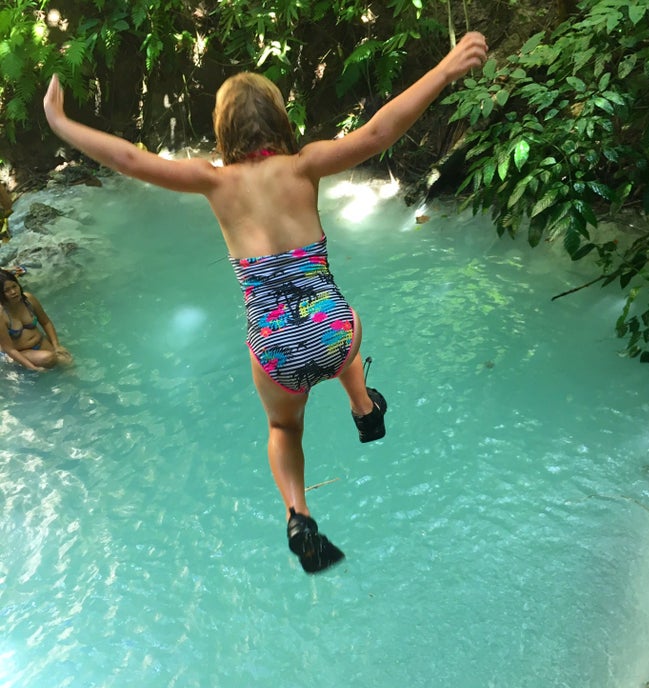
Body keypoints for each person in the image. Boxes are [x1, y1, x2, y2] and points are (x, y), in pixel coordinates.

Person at [43, 31, 488, 572]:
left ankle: (299, 515)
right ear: (281, 122)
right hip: (329, 327)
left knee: (283, 429)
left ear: (222, 130)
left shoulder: (213, 182)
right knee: (345, 329)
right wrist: (444, 69)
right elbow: (379, 130)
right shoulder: (305, 166)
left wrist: (63, 124)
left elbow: (130, 160)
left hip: (273, 345)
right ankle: (364, 409)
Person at [0, 268, 73, 371]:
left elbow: (46, 322)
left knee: (66, 362)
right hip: (18, 351)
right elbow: (9, 349)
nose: (13, 292)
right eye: (6, 290)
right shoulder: (1, 314)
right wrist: (32, 367)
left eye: (14, 286)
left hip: (40, 342)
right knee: (49, 358)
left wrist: (57, 345)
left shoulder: (28, 299)